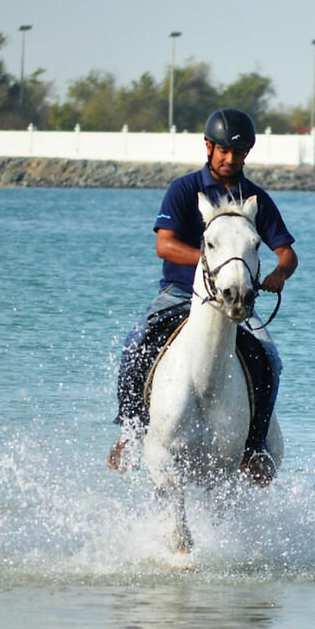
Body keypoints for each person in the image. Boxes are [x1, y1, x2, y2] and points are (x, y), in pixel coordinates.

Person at [108, 108, 298, 485]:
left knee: (271, 359)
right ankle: (129, 430)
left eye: (239, 152)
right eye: (224, 150)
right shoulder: (183, 189)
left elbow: (287, 252)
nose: (230, 159)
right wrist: (216, 263)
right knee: (135, 344)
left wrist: (278, 273)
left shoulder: (257, 199)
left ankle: (253, 446)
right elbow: (165, 246)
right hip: (180, 293)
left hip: (237, 297)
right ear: (209, 147)